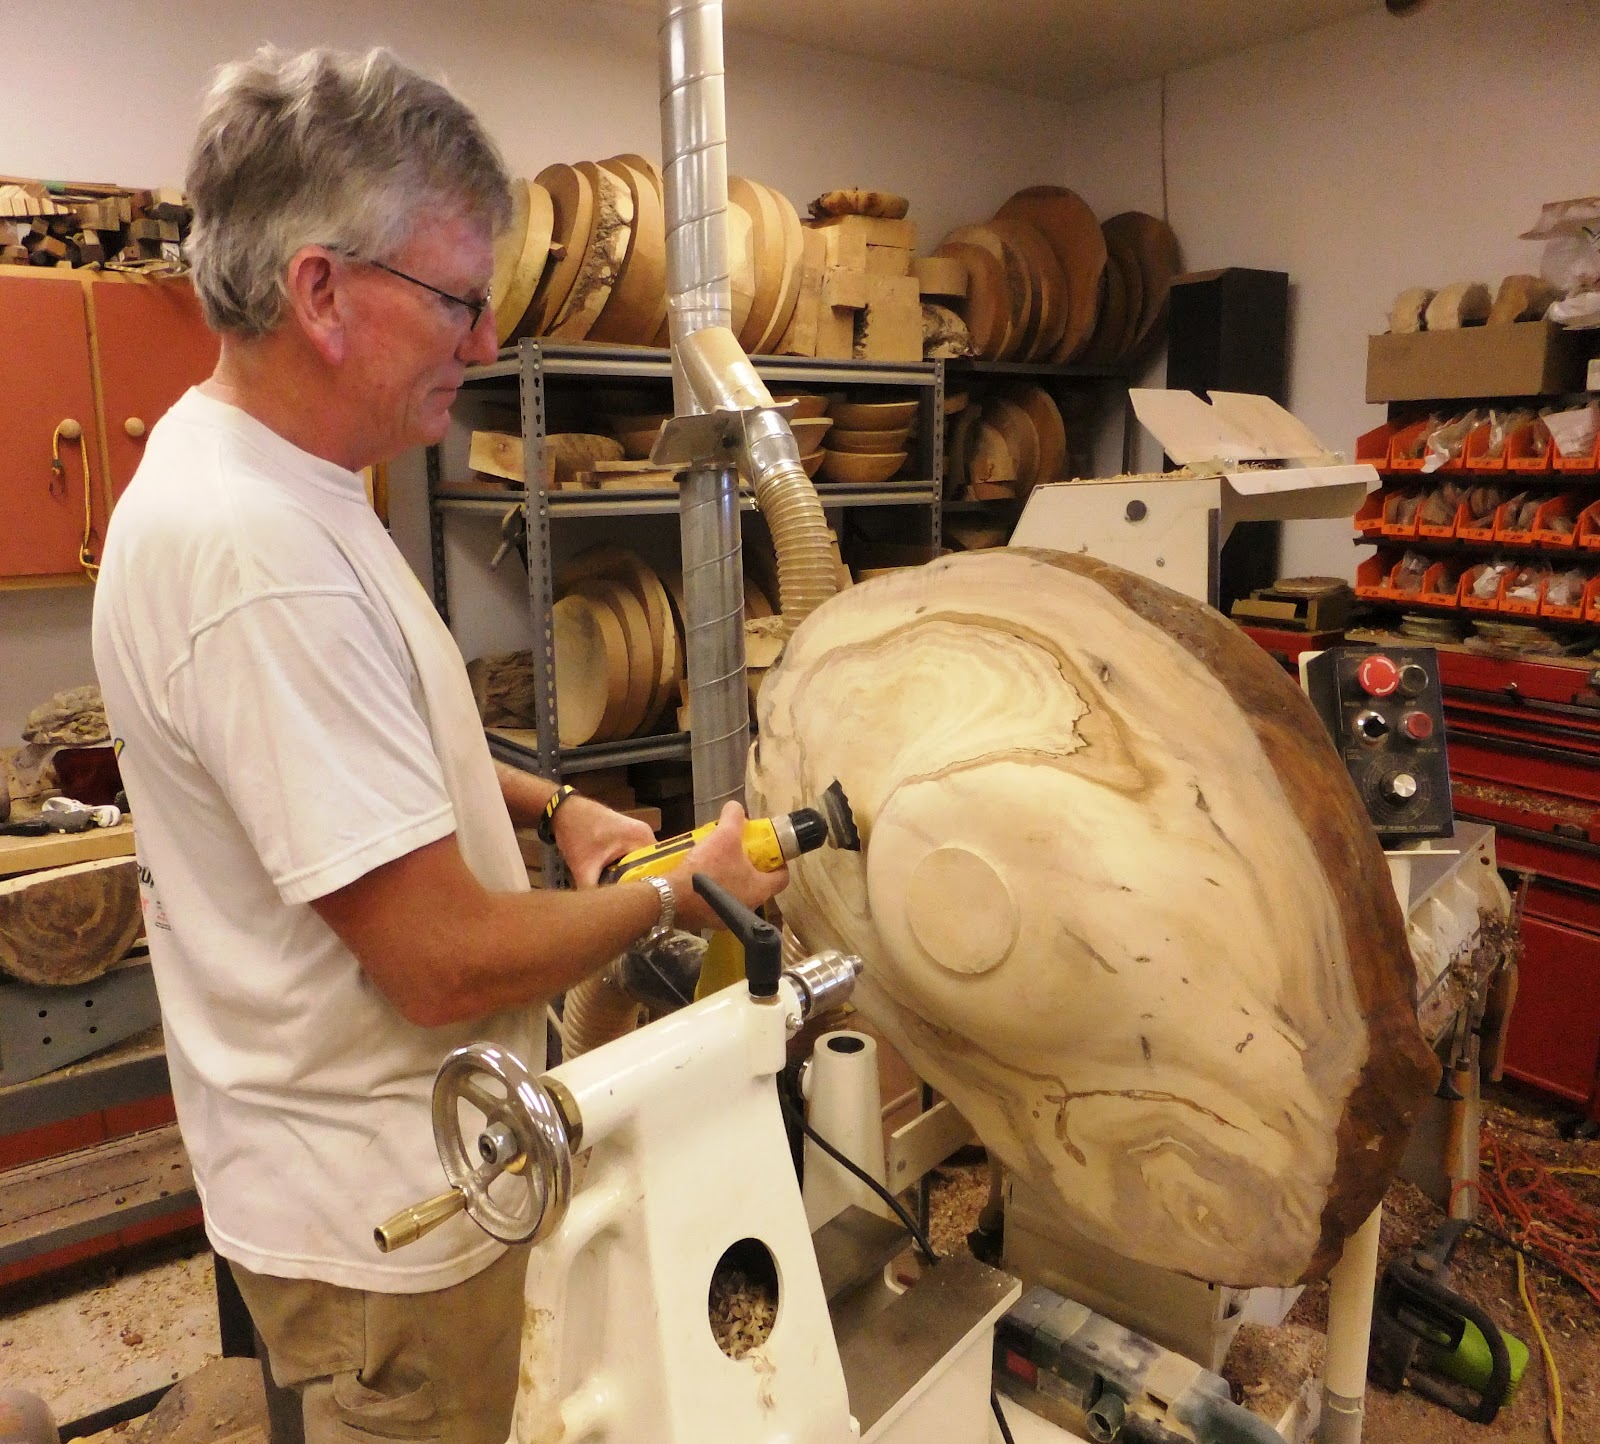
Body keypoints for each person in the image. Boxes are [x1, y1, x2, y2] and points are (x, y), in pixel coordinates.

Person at [90, 45, 785, 1444]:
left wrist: (548, 806)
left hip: (381, 1159)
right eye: (462, 300)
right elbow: (441, 959)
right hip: (385, 1219)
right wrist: (677, 891)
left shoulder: (271, 469)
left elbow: (363, 740)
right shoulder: (258, 557)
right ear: (322, 291)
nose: (483, 345)